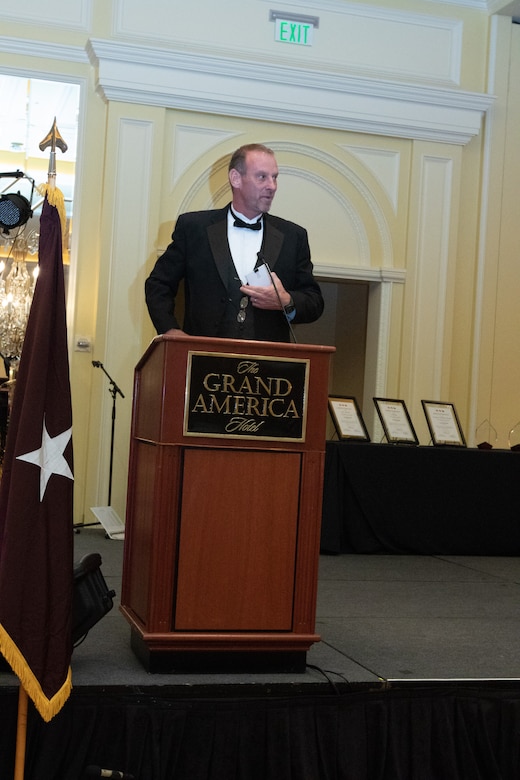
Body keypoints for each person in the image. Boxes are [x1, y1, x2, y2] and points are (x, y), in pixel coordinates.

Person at [145, 143, 324, 342]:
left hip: (266, 365)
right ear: (235, 178)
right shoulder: (194, 228)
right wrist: (169, 330)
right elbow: (158, 285)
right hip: (202, 360)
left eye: (275, 177)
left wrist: (286, 301)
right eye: (262, 177)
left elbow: (314, 302)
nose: (272, 186)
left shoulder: (293, 236)